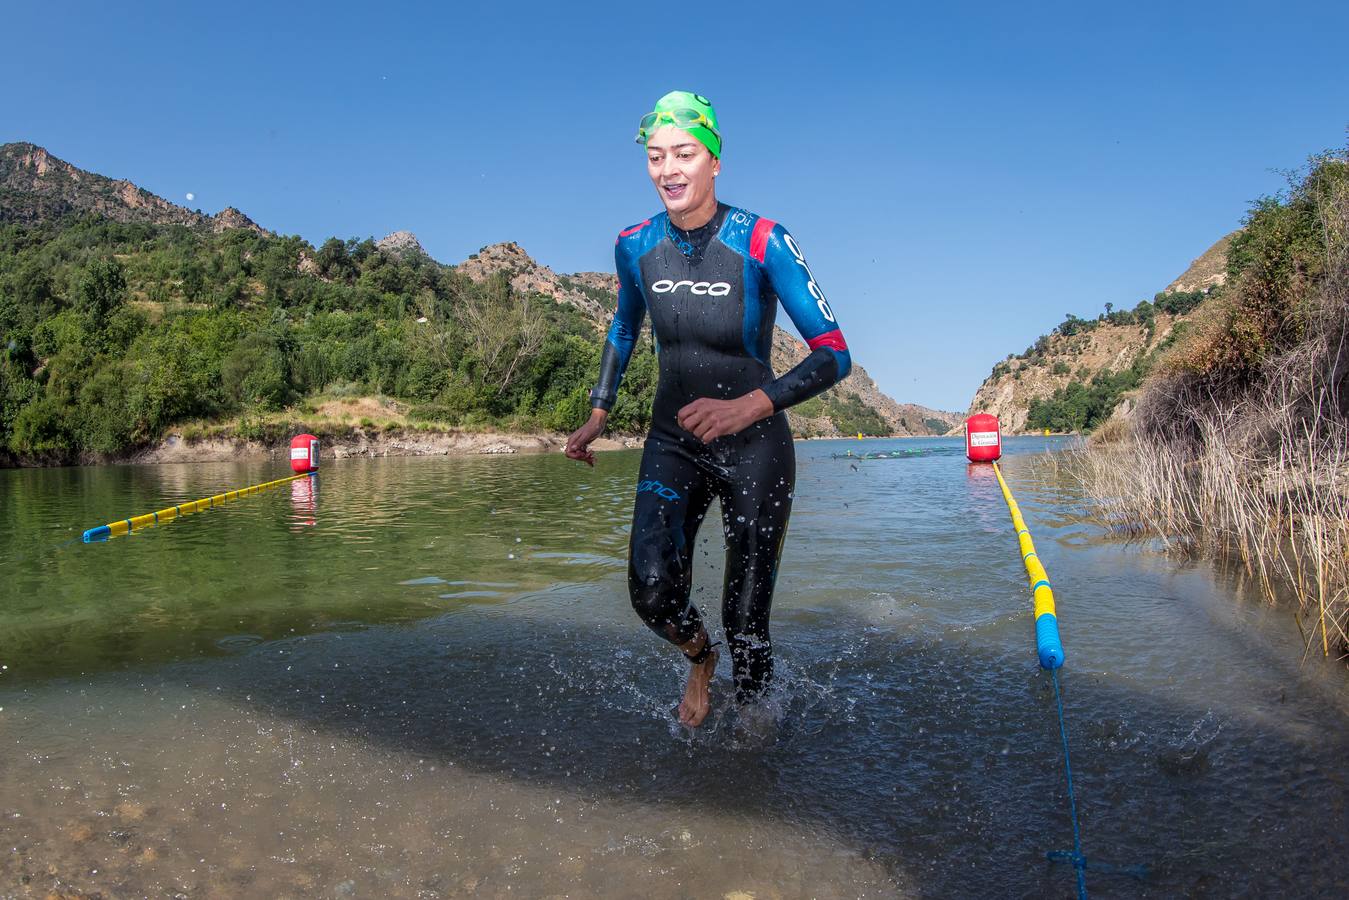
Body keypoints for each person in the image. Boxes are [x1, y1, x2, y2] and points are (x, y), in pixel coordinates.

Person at [565, 91, 851, 727]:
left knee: (747, 618)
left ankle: (753, 761)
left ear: (715, 160)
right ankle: (700, 660)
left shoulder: (764, 241)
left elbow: (834, 354)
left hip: (756, 445)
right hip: (674, 440)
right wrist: (599, 411)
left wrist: (751, 405)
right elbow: (622, 329)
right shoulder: (634, 245)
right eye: (656, 156)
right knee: (650, 590)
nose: (669, 168)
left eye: (684, 154)